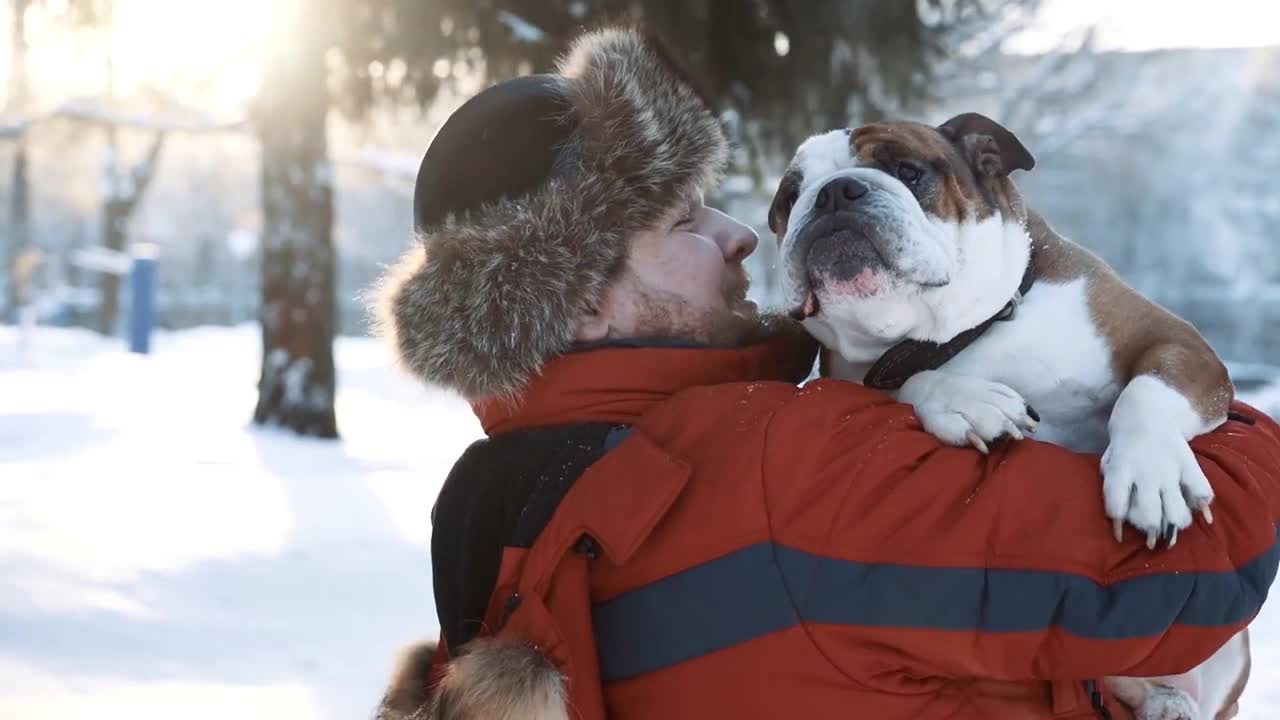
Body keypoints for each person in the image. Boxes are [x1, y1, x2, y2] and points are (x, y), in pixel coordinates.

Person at [369, 26, 1280, 720]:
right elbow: (1193, 572)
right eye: (685, 222)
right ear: (580, 304)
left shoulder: (492, 506)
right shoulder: (796, 465)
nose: (740, 233)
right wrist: (1237, 426)